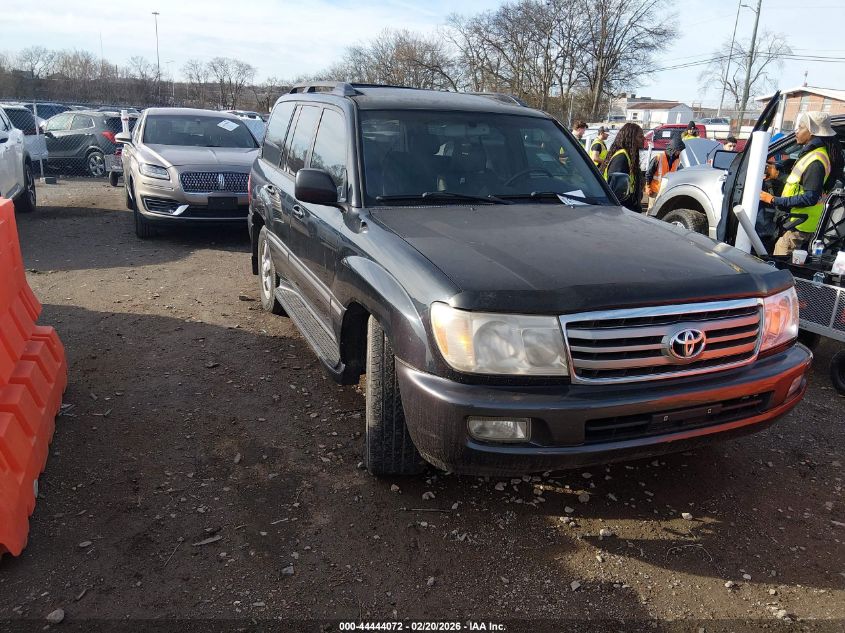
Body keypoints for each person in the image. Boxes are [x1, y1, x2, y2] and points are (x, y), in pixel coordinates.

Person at [760, 111, 844, 256]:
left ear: (812, 132)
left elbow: (810, 197)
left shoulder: (816, 160)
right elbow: (799, 183)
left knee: (779, 258)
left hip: (803, 226)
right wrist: (777, 175)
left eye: (800, 127)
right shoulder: (813, 155)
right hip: (800, 222)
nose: (796, 131)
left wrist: (773, 199)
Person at [601, 122, 645, 213]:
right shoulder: (621, 158)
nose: (643, 139)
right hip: (619, 210)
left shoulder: (629, 156)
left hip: (627, 208)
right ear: (631, 139)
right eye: (640, 137)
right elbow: (617, 191)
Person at [645, 134, 685, 208]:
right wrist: (647, 186)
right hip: (655, 191)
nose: (679, 153)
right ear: (673, 149)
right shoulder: (658, 157)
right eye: (678, 151)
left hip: (666, 192)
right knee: (651, 211)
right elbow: (649, 173)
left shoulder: (677, 160)